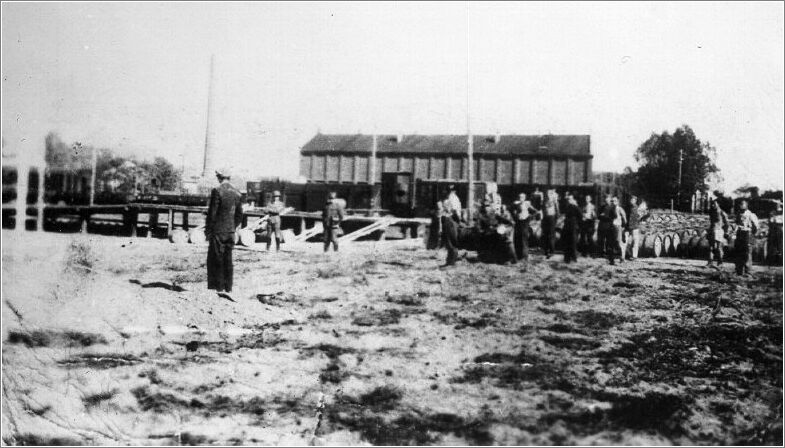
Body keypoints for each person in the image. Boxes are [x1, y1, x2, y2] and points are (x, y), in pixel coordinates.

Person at [205, 167, 244, 299]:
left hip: (218, 231)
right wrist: (233, 226)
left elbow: (212, 213)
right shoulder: (237, 193)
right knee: (228, 258)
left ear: (219, 177)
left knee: (216, 258)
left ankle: (218, 287)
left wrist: (208, 230)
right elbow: (240, 214)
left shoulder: (217, 191)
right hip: (230, 232)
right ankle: (228, 288)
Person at [512, 193, 539, 270]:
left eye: (522, 197)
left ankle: (525, 257)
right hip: (518, 223)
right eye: (520, 197)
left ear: (524, 198)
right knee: (517, 239)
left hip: (524, 223)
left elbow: (535, 212)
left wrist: (529, 218)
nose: (521, 198)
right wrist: (514, 217)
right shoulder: (516, 204)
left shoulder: (527, 204)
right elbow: (510, 209)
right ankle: (518, 256)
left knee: (524, 240)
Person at [734, 199, 759, 276]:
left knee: (747, 253)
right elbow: (737, 224)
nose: (740, 206)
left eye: (742, 204)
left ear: (746, 205)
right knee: (739, 252)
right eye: (740, 204)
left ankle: (748, 271)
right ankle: (739, 271)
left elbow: (756, 226)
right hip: (740, 234)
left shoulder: (751, 215)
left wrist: (752, 235)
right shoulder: (738, 214)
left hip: (748, 234)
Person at [441, 190, 461, 267]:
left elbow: (454, 210)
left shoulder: (452, 198)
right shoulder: (451, 198)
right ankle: (449, 261)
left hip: (450, 220)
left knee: (451, 241)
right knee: (449, 241)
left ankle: (451, 262)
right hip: (449, 220)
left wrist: (458, 220)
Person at [706, 200, 729, 268]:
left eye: (714, 204)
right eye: (712, 204)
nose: (713, 205)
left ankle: (720, 262)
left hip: (719, 231)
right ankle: (710, 262)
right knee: (710, 247)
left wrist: (725, 232)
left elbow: (727, 223)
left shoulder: (722, 212)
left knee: (719, 248)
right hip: (712, 230)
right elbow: (711, 222)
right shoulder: (711, 212)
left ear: (718, 204)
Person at [562, 193, 582, 263]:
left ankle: (574, 257)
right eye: (568, 199)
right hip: (567, 226)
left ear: (573, 199)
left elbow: (580, 216)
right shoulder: (567, 206)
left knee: (573, 242)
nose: (569, 200)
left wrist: (578, 225)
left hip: (574, 226)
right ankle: (567, 258)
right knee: (567, 242)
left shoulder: (576, 207)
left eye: (571, 199)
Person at [607, 196, 627, 265]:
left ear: (618, 202)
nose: (613, 202)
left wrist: (623, 227)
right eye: (612, 201)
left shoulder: (620, 209)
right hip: (611, 227)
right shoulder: (610, 209)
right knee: (610, 243)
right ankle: (611, 260)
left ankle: (622, 258)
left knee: (618, 243)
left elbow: (624, 219)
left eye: (615, 201)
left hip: (618, 227)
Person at [541, 190, 560, 259]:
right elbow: (543, 211)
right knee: (545, 235)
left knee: (551, 235)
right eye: (548, 193)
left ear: (552, 194)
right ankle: (546, 250)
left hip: (552, 218)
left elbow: (557, 212)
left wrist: (555, 220)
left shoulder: (555, 202)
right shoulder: (544, 201)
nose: (549, 195)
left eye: (550, 193)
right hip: (545, 219)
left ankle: (552, 251)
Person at [626, 196, 645, 260]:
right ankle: (628, 254)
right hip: (628, 227)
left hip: (635, 227)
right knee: (627, 241)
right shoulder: (628, 208)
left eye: (633, 200)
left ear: (635, 201)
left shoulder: (638, 208)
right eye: (631, 199)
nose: (631, 201)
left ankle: (634, 256)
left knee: (635, 241)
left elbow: (642, 216)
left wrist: (638, 220)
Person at [767, 201, 783, 265]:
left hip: (780, 229)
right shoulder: (772, 213)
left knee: (780, 245)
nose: (777, 206)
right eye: (776, 205)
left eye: (779, 205)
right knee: (773, 245)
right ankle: (772, 260)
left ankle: (780, 260)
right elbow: (770, 221)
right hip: (773, 229)